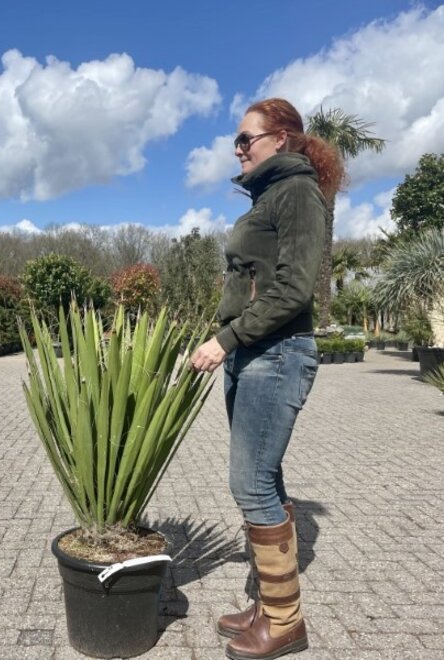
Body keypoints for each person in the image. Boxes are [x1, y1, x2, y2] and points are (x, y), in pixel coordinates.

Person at [190, 97, 344, 660]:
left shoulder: (297, 191)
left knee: (249, 482)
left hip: (277, 354)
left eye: (245, 138)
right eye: (235, 140)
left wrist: (225, 339)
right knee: (265, 479)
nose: (237, 148)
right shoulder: (269, 195)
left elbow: (295, 289)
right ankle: (266, 606)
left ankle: (284, 623)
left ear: (281, 139)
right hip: (253, 354)